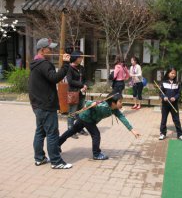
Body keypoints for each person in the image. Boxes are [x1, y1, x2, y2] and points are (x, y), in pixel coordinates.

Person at [28, 38, 72, 169]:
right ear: (42, 50)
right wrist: (65, 64)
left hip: (38, 105)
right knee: (52, 133)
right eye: (50, 48)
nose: (52, 50)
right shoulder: (44, 64)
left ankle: (39, 158)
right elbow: (55, 78)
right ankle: (56, 162)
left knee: (40, 132)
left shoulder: (35, 64)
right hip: (46, 105)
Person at [59, 92, 141, 160]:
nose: (121, 103)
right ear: (113, 103)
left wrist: (132, 130)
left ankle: (57, 144)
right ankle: (96, 154)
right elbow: (88, 103)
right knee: (96, 135)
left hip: (84, 117)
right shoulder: (103, 105)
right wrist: (93, 103)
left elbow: (122, 118)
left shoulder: (115, 109)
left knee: (71, 131)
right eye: (120, 101)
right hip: (87, 118)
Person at [158, 67, 182, 141]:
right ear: (168, 73)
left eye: (174, 73)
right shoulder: (163, 82)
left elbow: (179, 93)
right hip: (165, 105)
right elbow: (160, 92)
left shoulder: (177, 83)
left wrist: (175, 98)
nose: (173, 75)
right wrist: (164, 97)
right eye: (172, 73)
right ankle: (162, 133)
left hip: (174, 104)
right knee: (164, 119)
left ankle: (180, 134)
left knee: (176, 120)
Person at [66, 50, 88, 139]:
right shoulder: (69, 68)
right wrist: (81, 85)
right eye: (80, 57)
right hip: (73, 93)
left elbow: (86, 79)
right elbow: (70, 81)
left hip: (82, 93)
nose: (81, 59)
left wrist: (85, 85)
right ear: (75, 57)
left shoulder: (82, 68)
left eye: (82, 57)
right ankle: (70, 129)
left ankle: (79, 128)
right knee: (72, 112)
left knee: (81, 111)